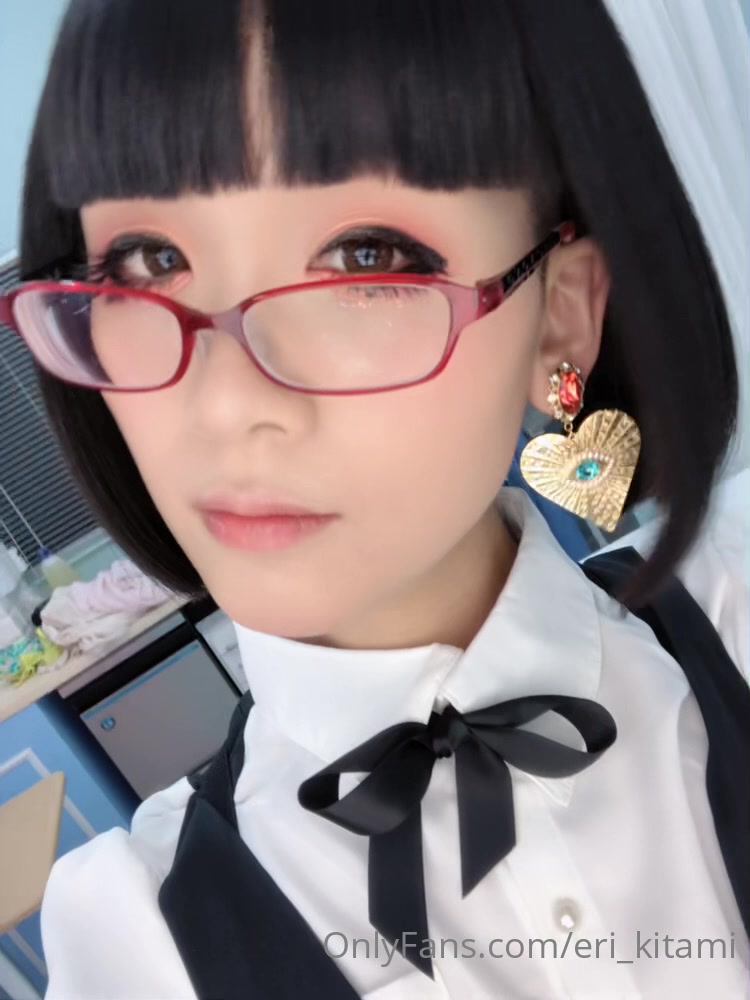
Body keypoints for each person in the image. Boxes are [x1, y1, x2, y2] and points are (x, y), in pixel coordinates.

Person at [2, 0, 748, 996]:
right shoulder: (140, 943)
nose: (227, 404)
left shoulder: (737, 613)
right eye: (151, 262)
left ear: (560, 316)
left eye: (368, 255)